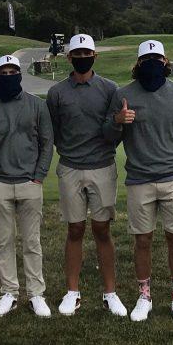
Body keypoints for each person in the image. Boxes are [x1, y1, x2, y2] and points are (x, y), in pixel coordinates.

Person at [104, 39, 173, 324]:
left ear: (165, 62)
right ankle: (144, 296)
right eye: (146, 61)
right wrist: (118, 120)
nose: (153, 65)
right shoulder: (123, 94)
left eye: (157, 60)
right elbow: (109, 138)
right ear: (138, 64)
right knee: (142, 240)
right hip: (139, 180)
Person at [46, 34, 126, 317]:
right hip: (70, 168)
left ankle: (110, 292)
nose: (82, 58)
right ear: (69, 57)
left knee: (102, 230)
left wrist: (115, 126)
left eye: (86, 54)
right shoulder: (57, 93)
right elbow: (54, 130)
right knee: (75, 229)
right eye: (77, 54)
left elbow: (113, 132)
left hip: (102, 167)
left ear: (95, 56)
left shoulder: (110, 89)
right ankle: (72, 292)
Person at [0, 55, 54, 318]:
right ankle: (9, 291)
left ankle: (36, 293)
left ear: (19, 74)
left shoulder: (36, 106)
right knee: (4, 241)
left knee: (32, 242)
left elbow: (46, 143)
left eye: (12, 71)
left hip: (30, 183)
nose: (8, 76)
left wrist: (39, 176)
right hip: (2, 186)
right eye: (3, 72)